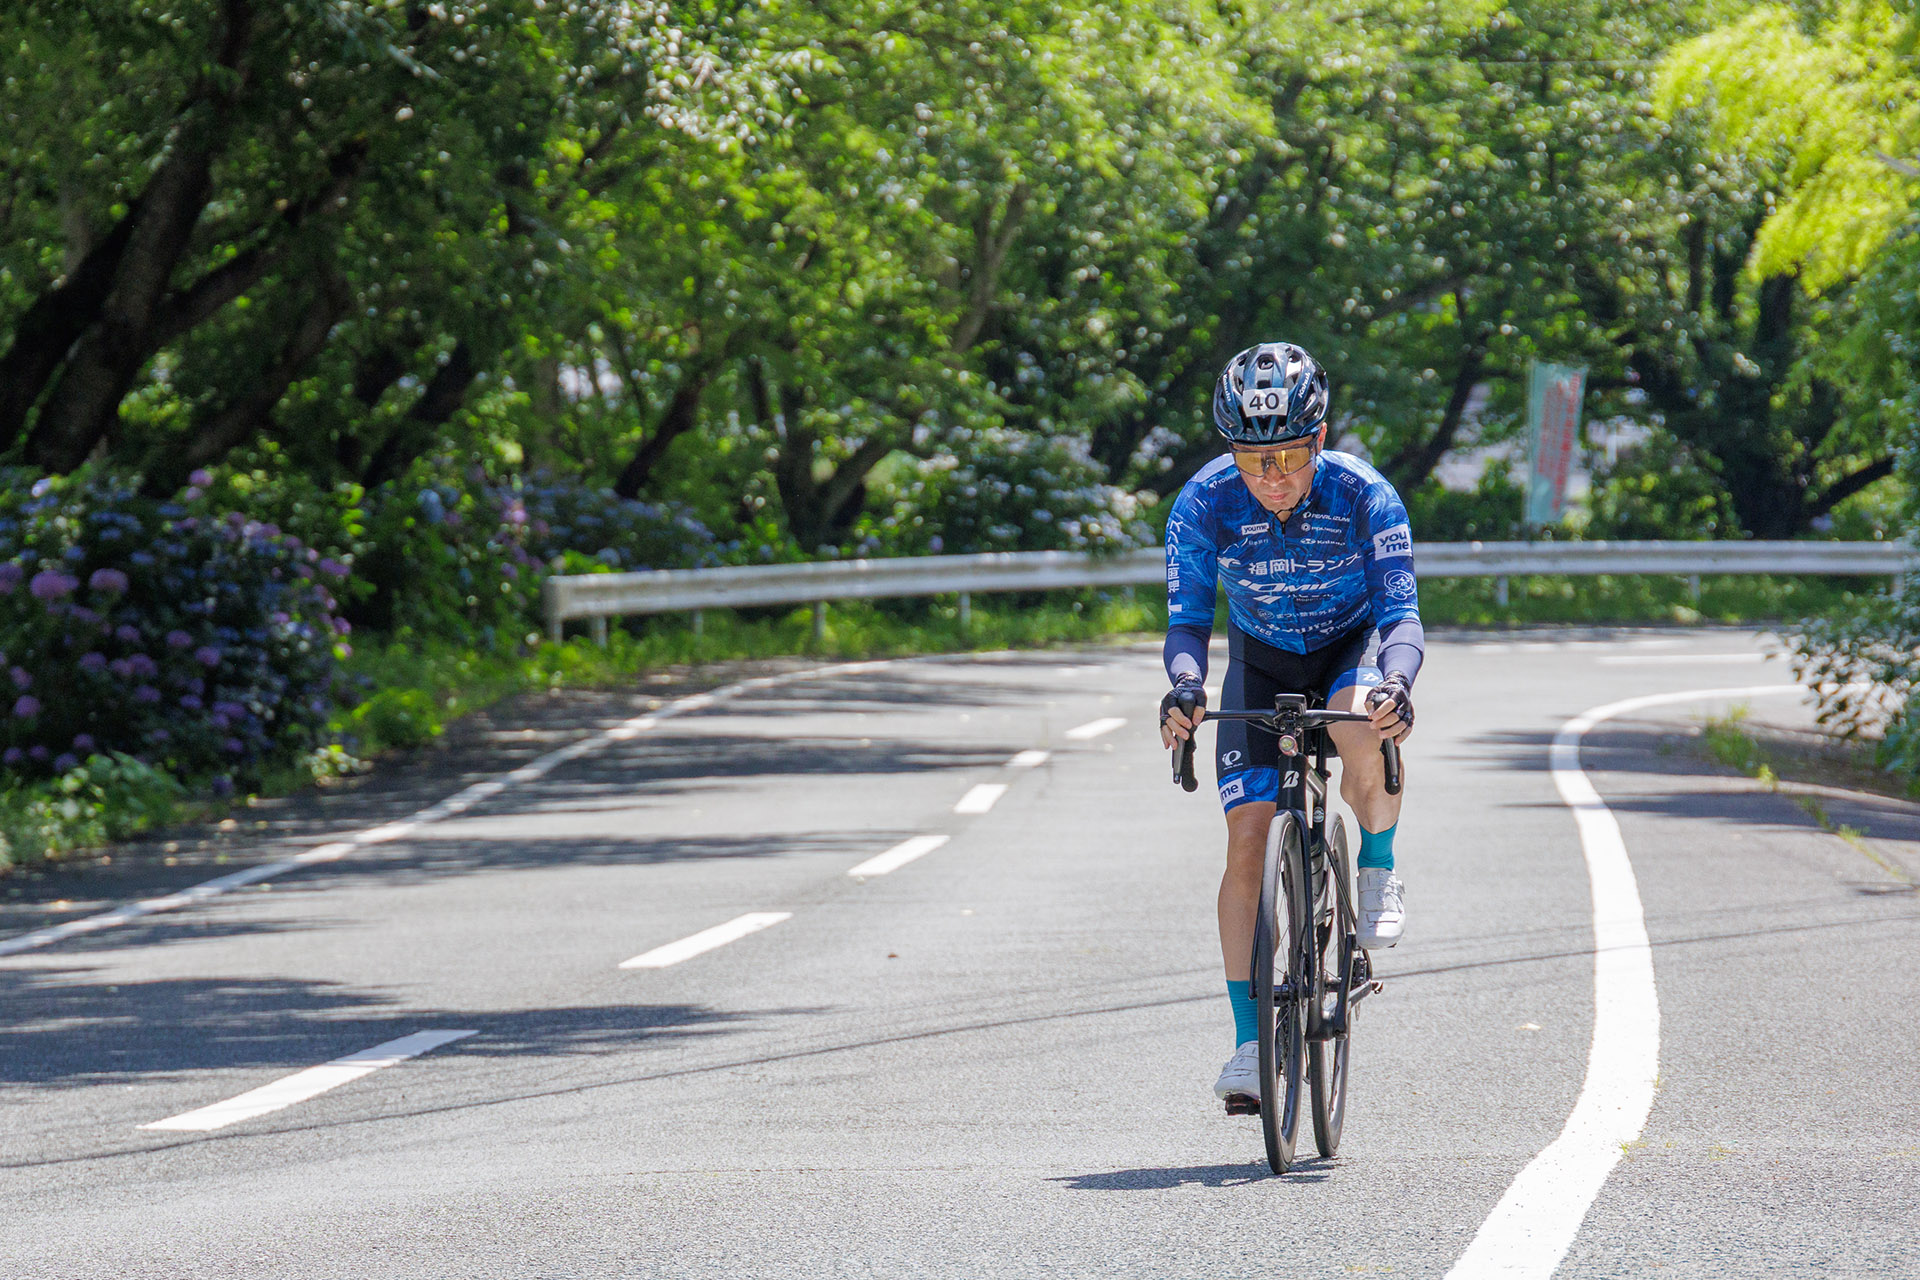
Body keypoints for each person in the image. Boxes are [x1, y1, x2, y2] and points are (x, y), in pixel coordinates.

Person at [1156, 340, 1423, 1111]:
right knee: (1246, 836)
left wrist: (1397, 685)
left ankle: (1377, 862)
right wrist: (1184, 688)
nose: (1272, 477)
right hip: (1261, 656)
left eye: (1291, 456)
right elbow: (1186, 623)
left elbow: (1401, 614)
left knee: (1358, 721)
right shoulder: (1204, 502)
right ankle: (1249, 1044)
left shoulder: (1364, 495)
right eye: (1252, 459)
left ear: (1320, 438)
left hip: (1350, 645)